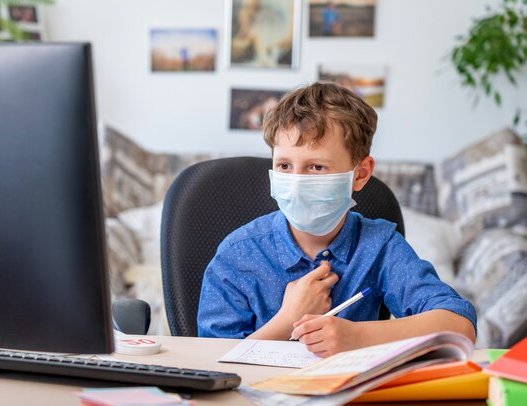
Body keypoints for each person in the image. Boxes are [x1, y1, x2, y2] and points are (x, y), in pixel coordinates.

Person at [197, 81, 476, 357]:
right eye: (284, 165)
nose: (296, 182)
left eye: (317, 166)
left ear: (361, 174)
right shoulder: (238, 254)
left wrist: (357, 336)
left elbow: (459, 325)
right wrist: (286, 320)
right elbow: (212, 361)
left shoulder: (379, 246)